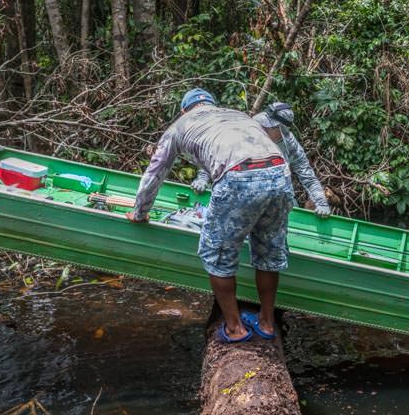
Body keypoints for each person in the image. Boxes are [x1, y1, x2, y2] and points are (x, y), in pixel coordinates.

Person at [125, 88, 293, 343]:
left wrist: (140, 212)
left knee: (216, 252)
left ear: (184, 110)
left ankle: (235, 329)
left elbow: (155, 173)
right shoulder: (237, 115)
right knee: (268, 252)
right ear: (213, 105)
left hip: (239, 175)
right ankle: (267, 323)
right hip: (279, 172)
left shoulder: (179, 126)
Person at [190, 101, 332, 217]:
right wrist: (202, 178)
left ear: (279, 129)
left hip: (277, 199)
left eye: (267, 126)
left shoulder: (290, 145)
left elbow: (307, 176)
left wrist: (321, 202)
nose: (262, 127)